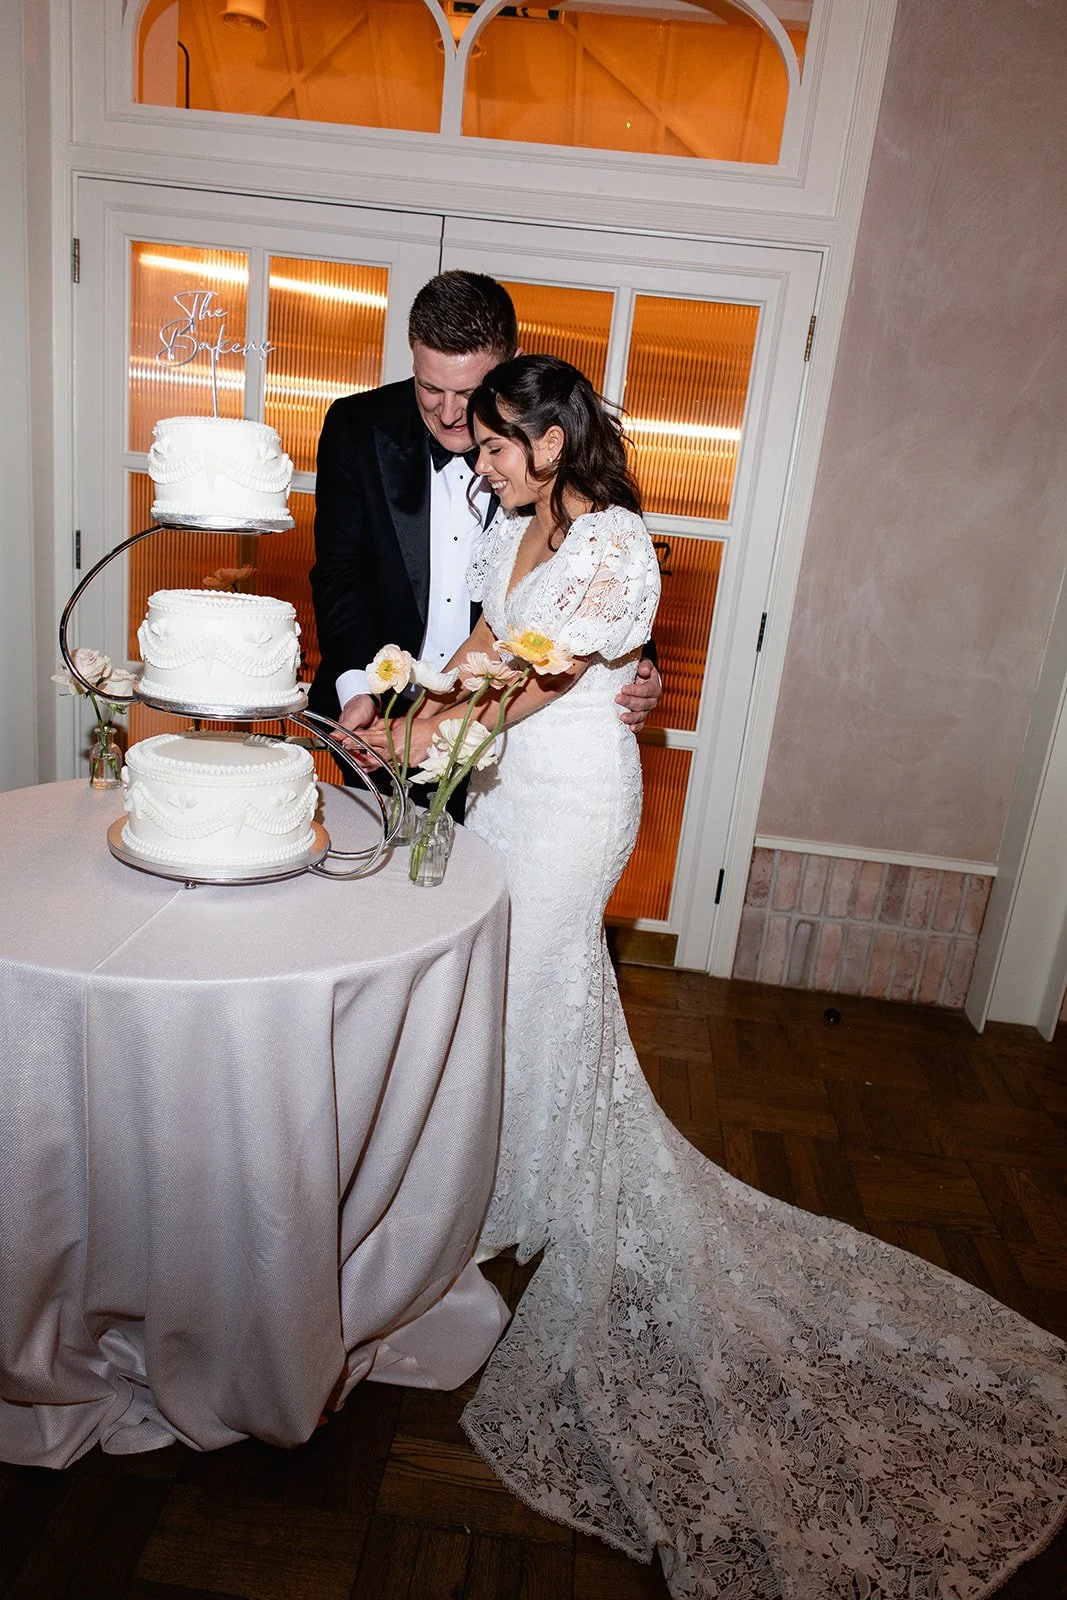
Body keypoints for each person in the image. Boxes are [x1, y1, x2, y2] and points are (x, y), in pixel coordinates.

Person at [365, 354, 1067, 1600]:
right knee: (510, 991)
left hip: (572, 799)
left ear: (547, 436)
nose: (476, 462)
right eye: (473, 445)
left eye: (491, 443)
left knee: (536, 977)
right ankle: (517, 1169)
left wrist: (424, 736)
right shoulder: (515, 528)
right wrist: (414, 698)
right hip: (504, 792)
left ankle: (508, 1187)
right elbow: (486, 646)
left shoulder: (618, 542)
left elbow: (542, 680)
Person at [308, 270, 660, 744]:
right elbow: (340, 572)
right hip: (377, 711)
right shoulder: (355, 427)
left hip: (506, 728)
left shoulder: (541, 456)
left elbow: (596, 582)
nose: (450, 413)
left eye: (469, 393)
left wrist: (635, 665)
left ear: (511, 366)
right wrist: (364, 695)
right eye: (430, 388)